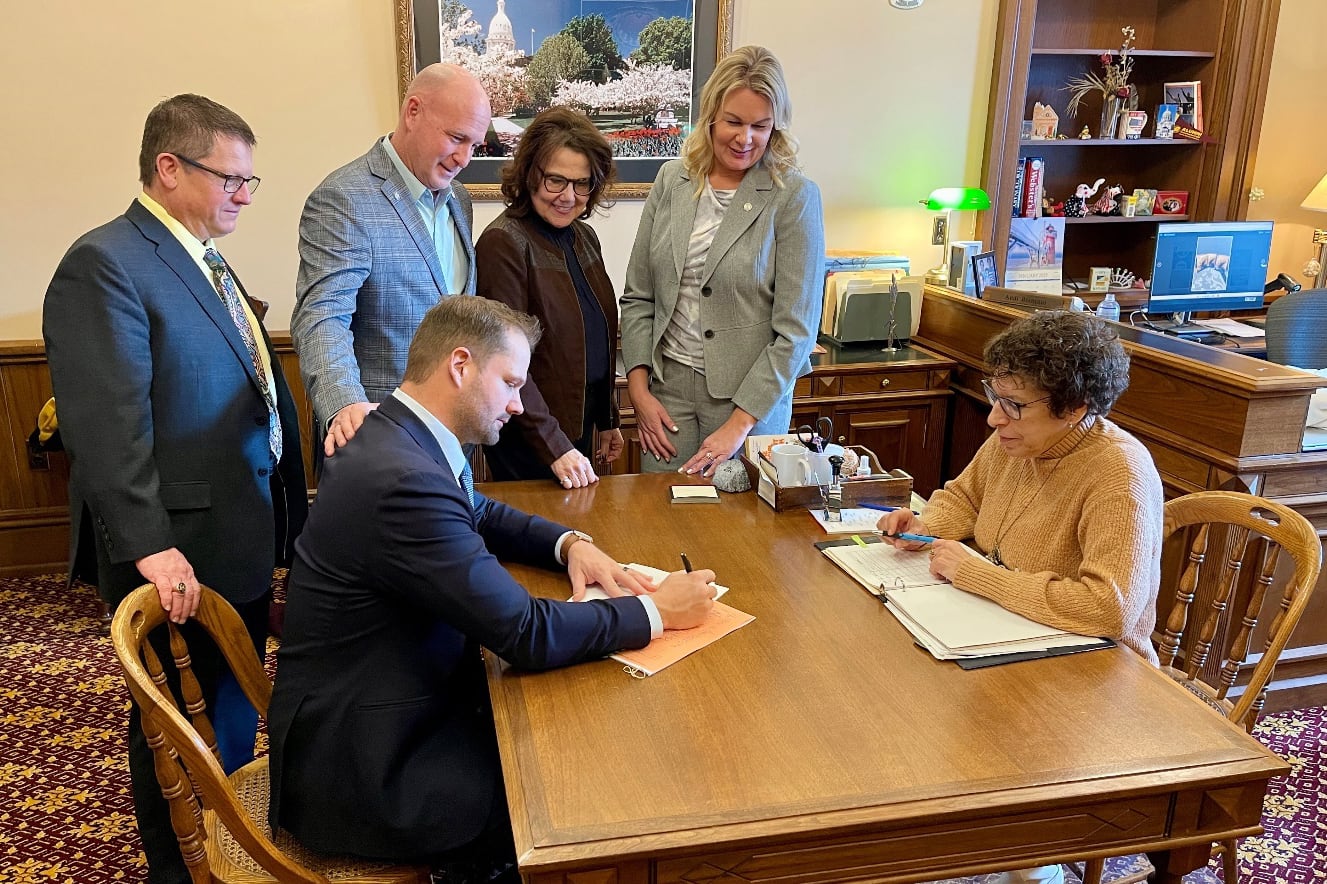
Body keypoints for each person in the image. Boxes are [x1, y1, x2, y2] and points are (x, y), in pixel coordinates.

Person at [267, 296, 716, 868]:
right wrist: (659, 613)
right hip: (372, 768)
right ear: (460, 365)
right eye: (510, 382)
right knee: (577, 792)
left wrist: (571, 544)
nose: (517, 404)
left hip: (377, 704)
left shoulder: (397, 433)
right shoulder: (401, 478)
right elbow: (525, 632)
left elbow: (476, 511)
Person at [42, 94, 308, 884]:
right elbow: (105, 425)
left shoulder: (199, 256)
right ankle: (182, 867)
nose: (243, 196)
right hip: (175, 547)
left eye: (250, 181)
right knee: (174, 727)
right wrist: (151, 545)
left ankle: (220, 842)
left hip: (236, 530)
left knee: (223, 711)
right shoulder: (107, 262)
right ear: (169, 167)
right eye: (231, 178)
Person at [878, 310, 1164, 884]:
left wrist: (979, 575)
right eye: (993, 395)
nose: (993, 417)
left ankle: (1032, 854)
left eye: (1013, 403)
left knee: (911, 726)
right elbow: (962, 497)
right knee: (887, 690)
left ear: (1075, 406)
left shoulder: (1119, 474)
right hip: (1005, 634)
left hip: (1090, 677)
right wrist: (927, 527)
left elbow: (1110, 609)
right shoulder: (1016, 442)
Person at [620, 45, 825, 478]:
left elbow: (796, 333)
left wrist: (738, 426)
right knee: (661, 521)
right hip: (667, 395)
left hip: (749, 406)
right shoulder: (671, 180)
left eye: (760, 126)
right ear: (711, 115)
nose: (745, 138)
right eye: (733, 121)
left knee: (737, 537)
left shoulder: (794, 197)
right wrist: (638, 391)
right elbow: (640, 297)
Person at [292, 62, 491, 458]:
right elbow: (322, 317)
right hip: (376, 441)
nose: (465, 158)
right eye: (456, 138)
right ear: (412, 112)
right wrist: (346, 405)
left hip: (452, 442)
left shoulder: (459, 200)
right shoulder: (344, 198)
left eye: (475, 145)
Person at [475, 106, 621, 488]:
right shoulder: (503, 243)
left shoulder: (583, 237)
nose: (568, 196)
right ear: (529, 174)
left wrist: (607, 420)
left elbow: (598, 335)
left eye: (582, 183)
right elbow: (505, 363)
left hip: (578, 431)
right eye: (556, 180)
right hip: (530, 438)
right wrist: (555, 446)